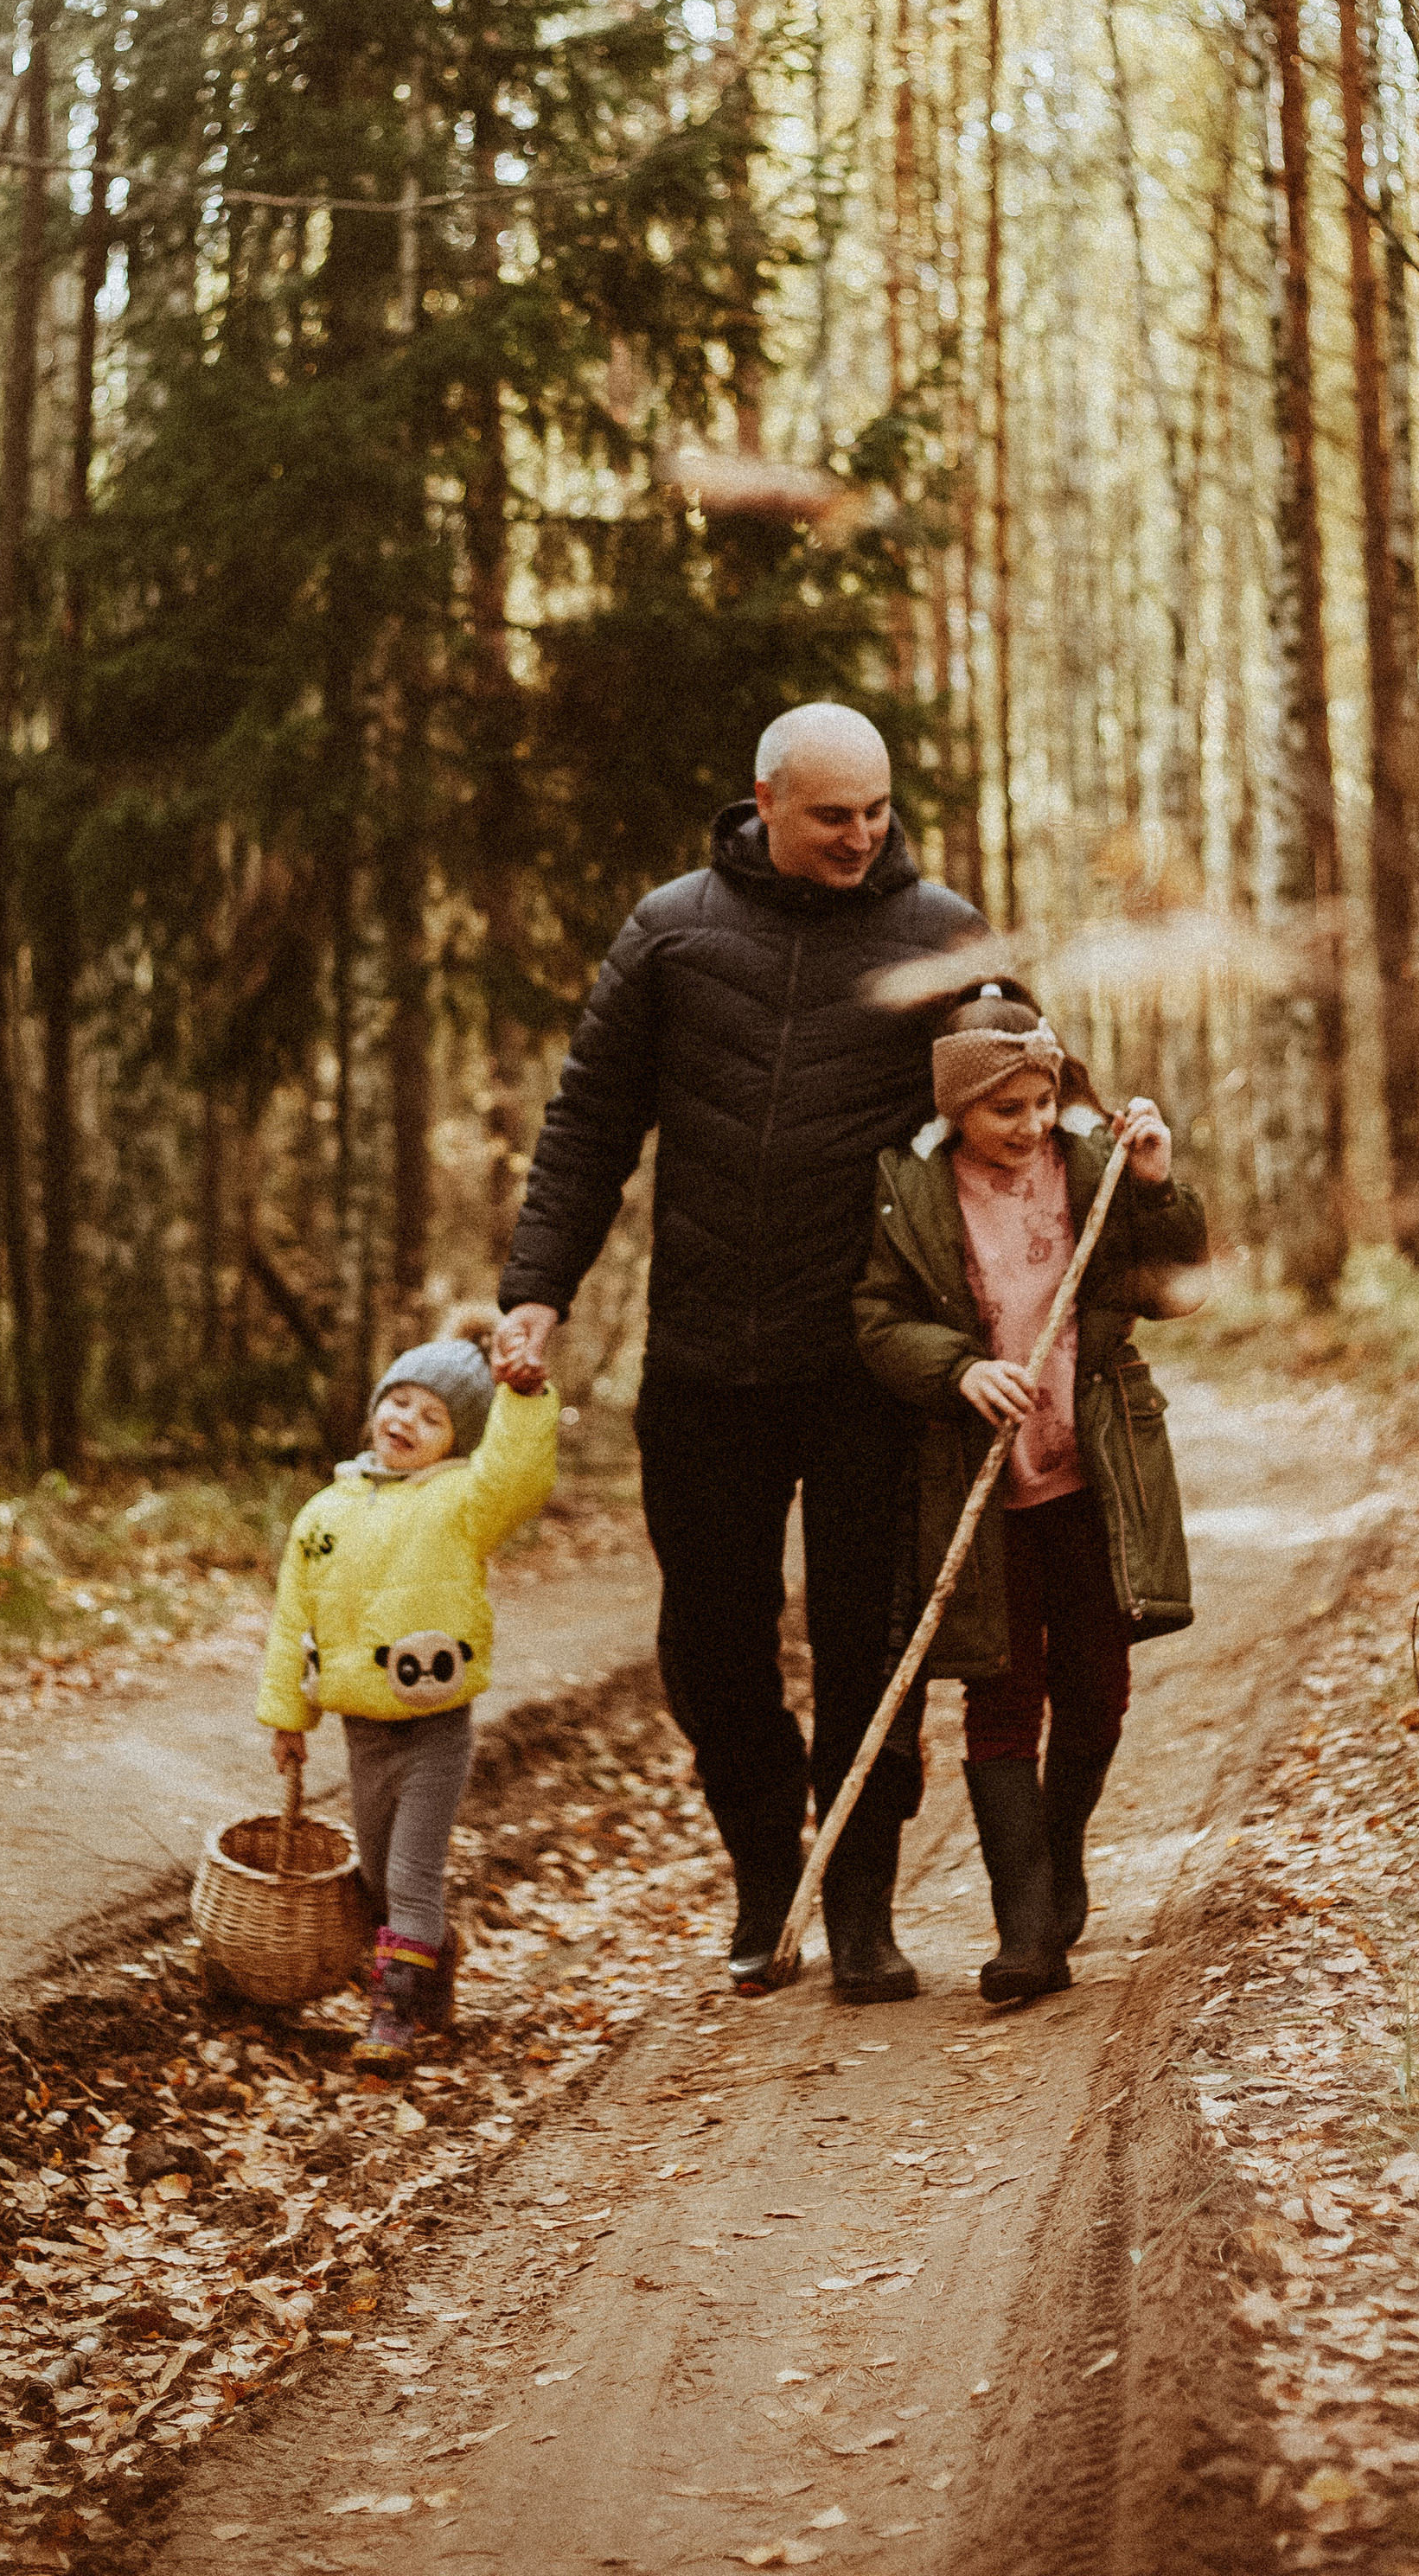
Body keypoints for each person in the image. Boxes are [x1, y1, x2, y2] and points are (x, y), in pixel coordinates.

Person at [492, 702, 988, 2002]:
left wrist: (1116, 1165)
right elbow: (589, 1122)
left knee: (869, 1643)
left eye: (877, 813)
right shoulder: (671, 931)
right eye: (833, 817)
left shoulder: (939, 933)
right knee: (711, 1649)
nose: (861, 838)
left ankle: (862, 1906)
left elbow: (1015, 1116)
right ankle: (770, 1872)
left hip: (868, 1360)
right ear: (764, 803)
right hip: (706, 1359)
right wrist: (537, 1291)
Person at [853, 989, 1207, 2005]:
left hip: (1091, 1469)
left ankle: (1056, 1855)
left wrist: (1155, 1183)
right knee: (1001, 1690)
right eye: (1004, 1109)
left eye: (1041, 1102)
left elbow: (1170, 1286)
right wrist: (957, 1368)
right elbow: (877, 1318)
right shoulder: (911, 1190)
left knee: (1094, 1686)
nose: (1029, 1124)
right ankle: (1025, 1931)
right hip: (981, 1481)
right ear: (957, 1108)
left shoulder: (1091, 1168)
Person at [257, 1320, 557, 2065]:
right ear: (376, 1406)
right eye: (400, 1402)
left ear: (455, 1443)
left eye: (433, 1418)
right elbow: (293, 1620)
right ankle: (435, 1959)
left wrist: (522, 1400)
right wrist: (289, 1717)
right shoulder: (324, 1513)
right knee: (376, 1880)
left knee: (410, 1875)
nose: (407, 1422)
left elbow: (516, 1476)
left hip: (435, 1727)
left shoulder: (462, 1501)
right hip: (363, 1727)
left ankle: (391, 2013)